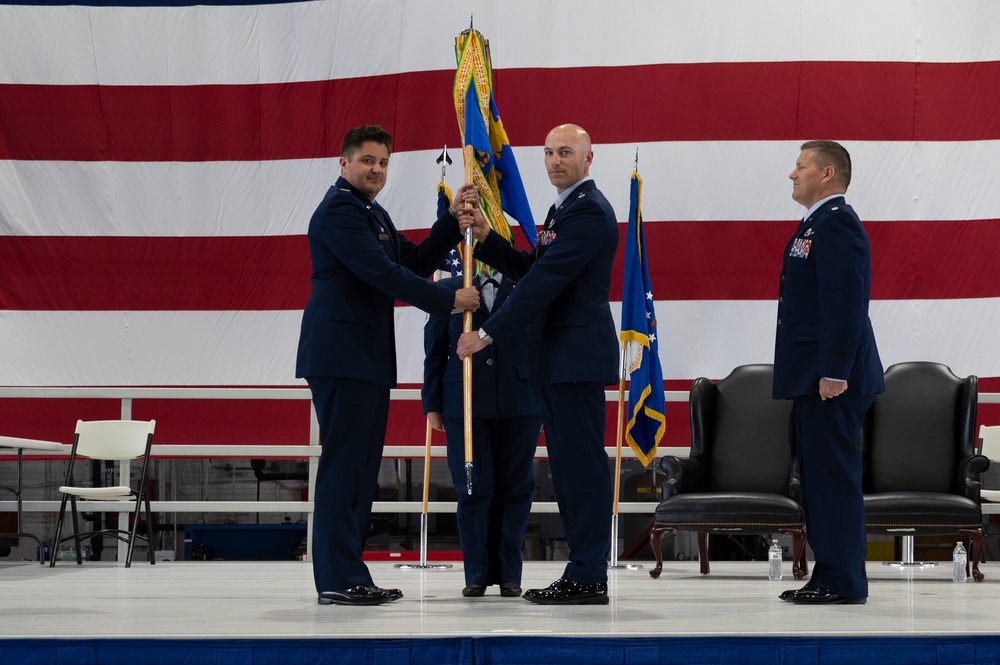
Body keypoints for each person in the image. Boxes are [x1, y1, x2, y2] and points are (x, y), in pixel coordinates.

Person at [295, 125, 480, 606]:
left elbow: (412, 259)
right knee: (345, 469)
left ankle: (350, 573)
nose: (376, 169)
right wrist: (449, 299)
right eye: (367, 161)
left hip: (364, 358)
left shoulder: (370, 211)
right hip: (341, 355)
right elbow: (383, 274)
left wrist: (452, 219)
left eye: (382, 162)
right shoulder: (340, 210)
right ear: (344, 162)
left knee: (359, 471)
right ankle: (337, 577)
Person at [457, 124, 619, 605]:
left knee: (581, 470)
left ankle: (589, 574)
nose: (554, 161)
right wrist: (487, 240)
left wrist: (486, 333)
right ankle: (582, 571)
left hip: (576, 357)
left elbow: (543, 283)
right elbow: (533, 269)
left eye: (565, 152)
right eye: (548, 152)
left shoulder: (588, 210)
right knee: (567, 472)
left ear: (589, 158)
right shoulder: (562, 208)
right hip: (557, 358)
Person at [773, 140, 883, 605]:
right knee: (818, 479)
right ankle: (830, 574)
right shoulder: (816, 224)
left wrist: (835, 370)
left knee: (833, 479)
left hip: (833, 380)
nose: (792, 174)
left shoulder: (837, 225)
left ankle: (842, 582)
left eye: (801, 167)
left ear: (828, 174)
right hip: (816, 376)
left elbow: (846, 303)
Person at [422, 268, 541, 598]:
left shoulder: (528, 285)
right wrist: (432, 404)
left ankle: (508, 574)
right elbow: (434, 348)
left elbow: (543, 340)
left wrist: (544, 398)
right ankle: (476, 573)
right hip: (464, 401)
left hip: (520, 399)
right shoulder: (451, 289)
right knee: (472, 487)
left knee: (515, 488)